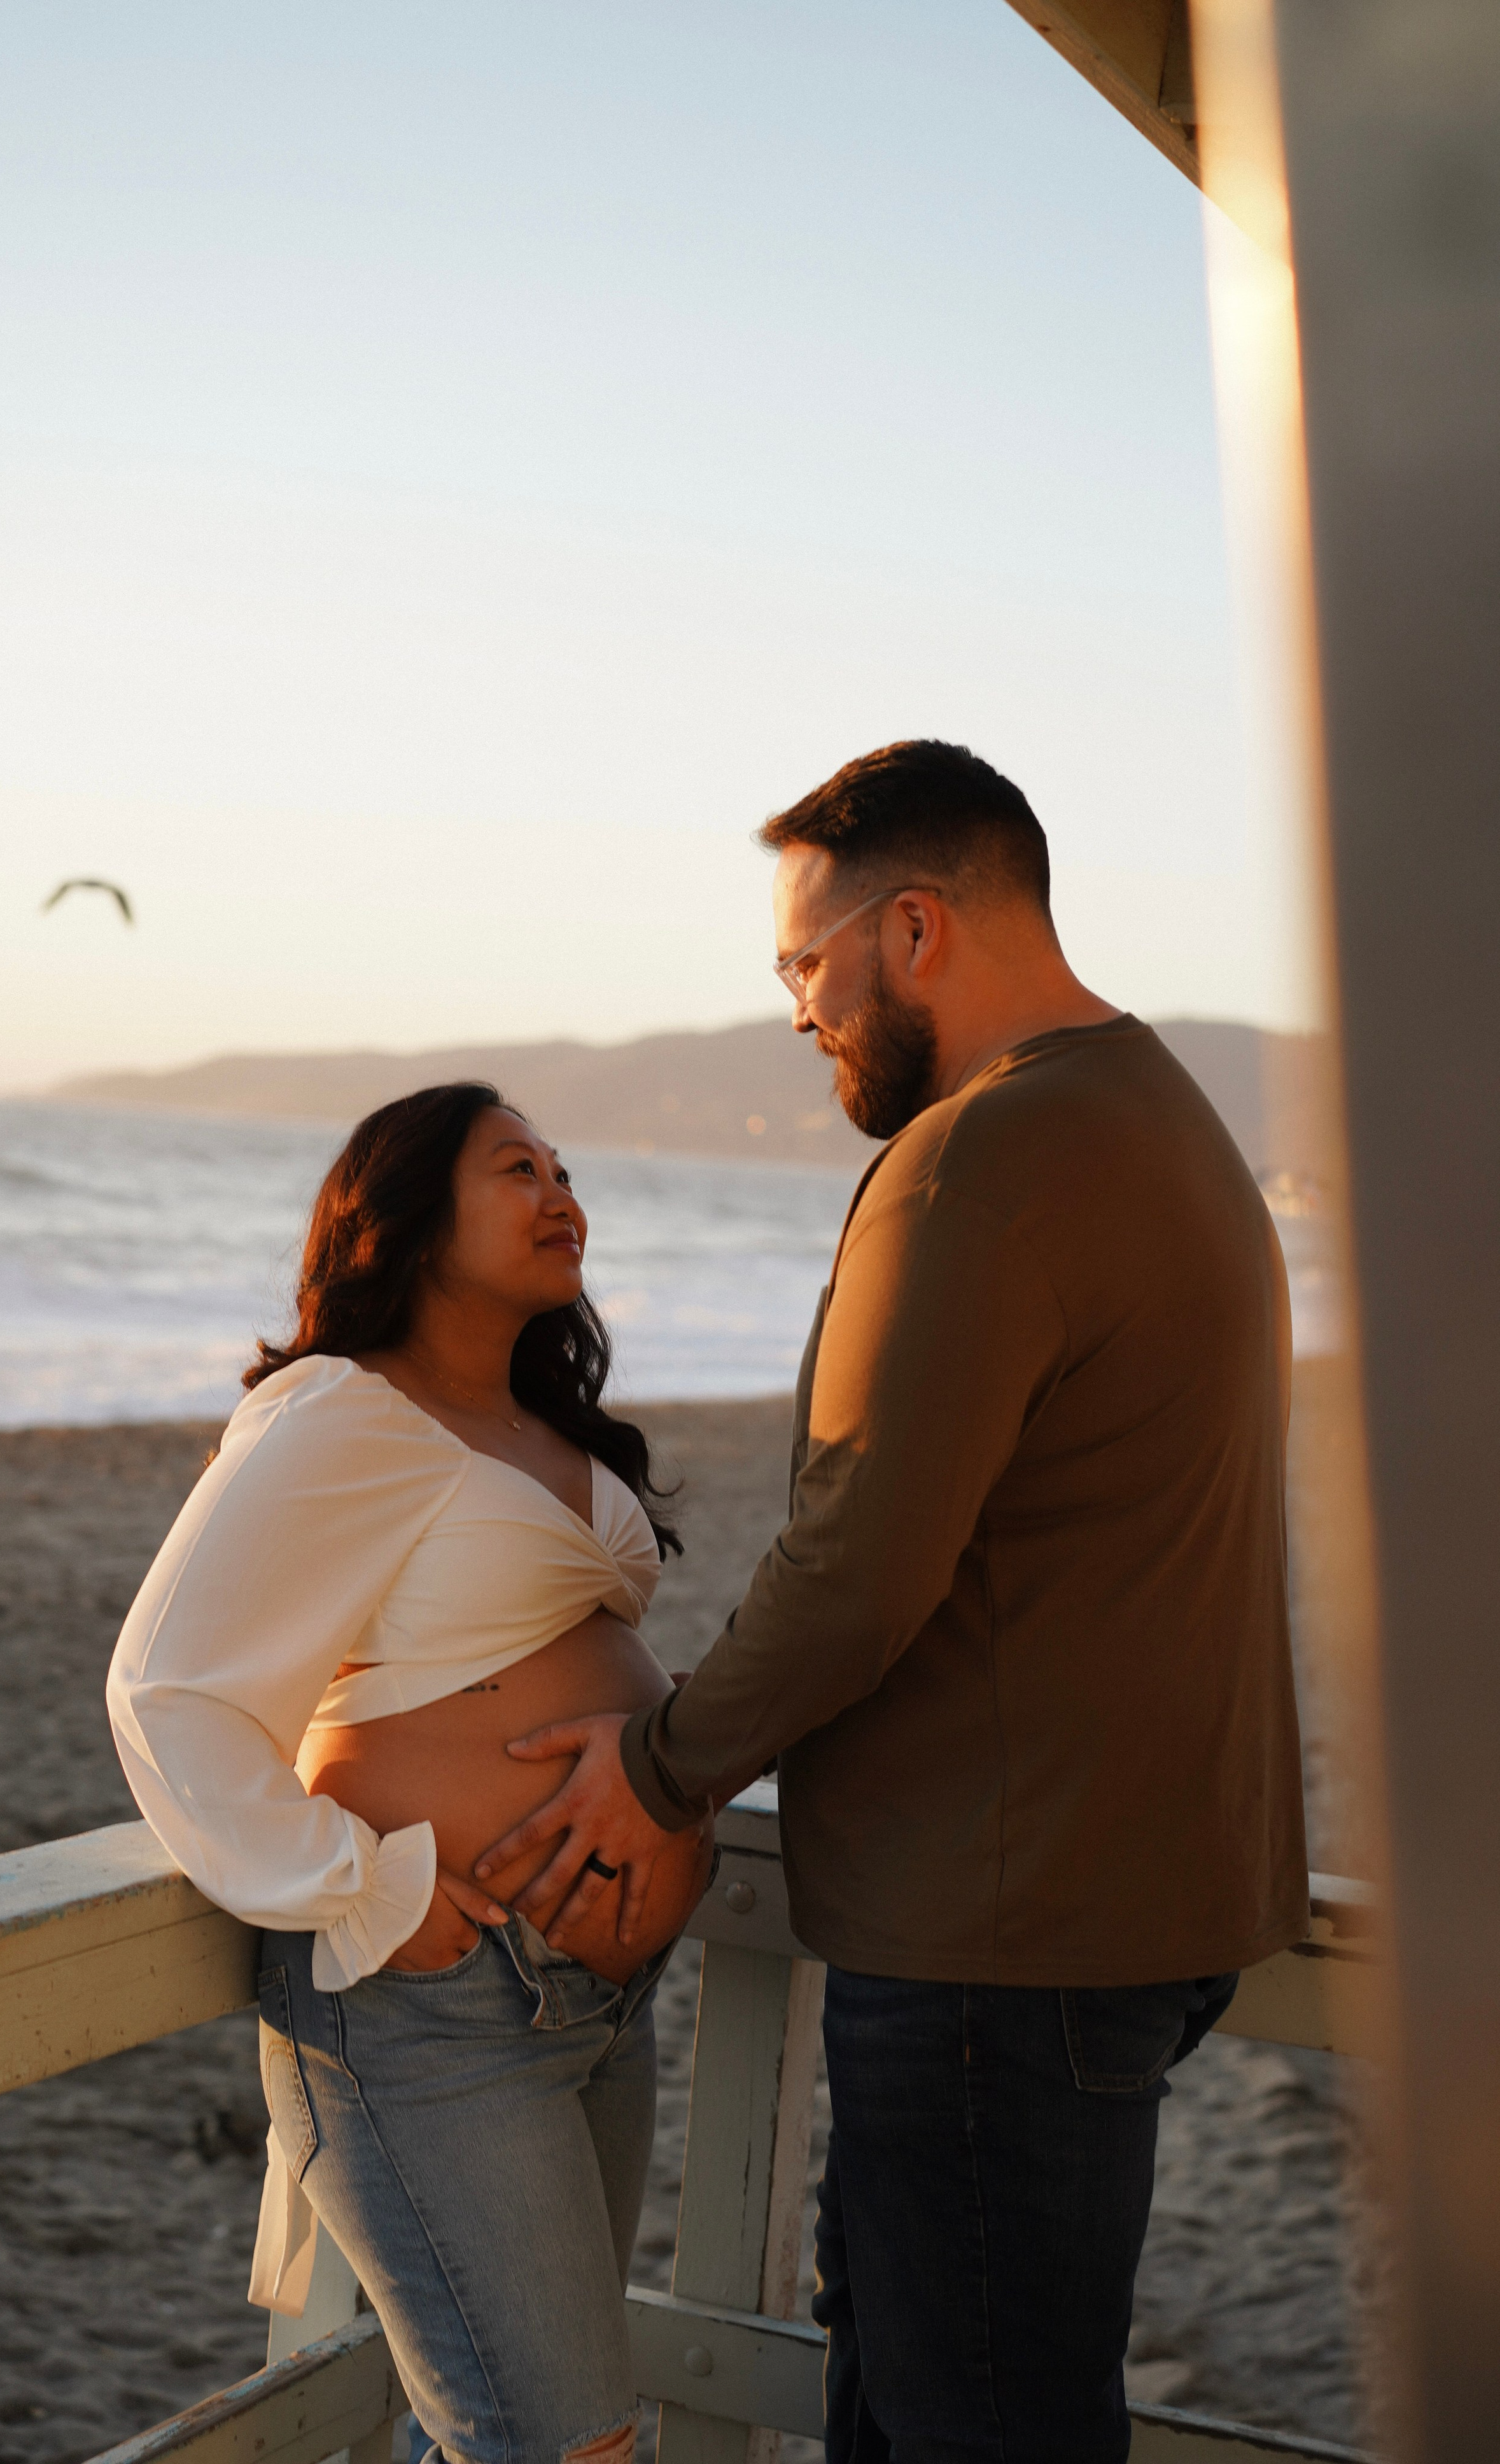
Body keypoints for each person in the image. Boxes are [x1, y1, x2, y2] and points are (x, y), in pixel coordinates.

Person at [477, 739, 1310, 2463]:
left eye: (804, 963)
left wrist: (657, 1768)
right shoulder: (1164, 1120)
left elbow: (858, 1566)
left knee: (977, 2425)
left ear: (912, 929)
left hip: (1003, 1939)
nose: (796, 1011)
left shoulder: (982, 1164)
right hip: (1126, 1901)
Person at [107, 1082, 713, 2464]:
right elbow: (167, 1687)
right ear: (408, 1213)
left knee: (519, 2436)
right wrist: (356, 1883)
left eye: (564, 1167)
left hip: (597, 2008)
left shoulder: (541, 1424)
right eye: (517, 1168)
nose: (561, 1192)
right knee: (565, 2447)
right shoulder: (342, 1413)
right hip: (435, 2009)